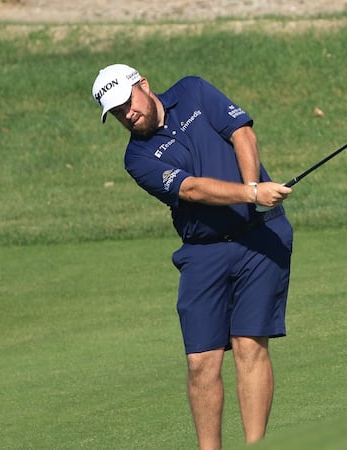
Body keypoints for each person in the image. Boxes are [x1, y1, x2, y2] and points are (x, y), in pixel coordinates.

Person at [91, 63, 294, 450]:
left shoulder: (194, 91)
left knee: (250, 346)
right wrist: (252, 195)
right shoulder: (137, 159)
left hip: (260, 240)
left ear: (143, 86)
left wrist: (252, 188)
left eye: (126, 103)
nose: (127, 114)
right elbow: (193, 190)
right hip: (203, 253)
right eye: (117, 113)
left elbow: (242, 133)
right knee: (201, 362)